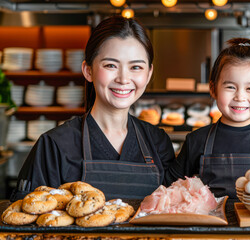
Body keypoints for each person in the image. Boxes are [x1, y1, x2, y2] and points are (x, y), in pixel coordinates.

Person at [10, 16, 175, 201]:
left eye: (136, 67)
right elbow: (28, 220)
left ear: (149, 73)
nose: (123, 78)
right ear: (88, 70)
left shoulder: (158, 143)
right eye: (111, 65)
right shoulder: (54, 145)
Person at [165, 38, 250, 198]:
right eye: (230, 87)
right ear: (213, 89)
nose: (240, 97)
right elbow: (169, 187)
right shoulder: (196, 140)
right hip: (210, 222)